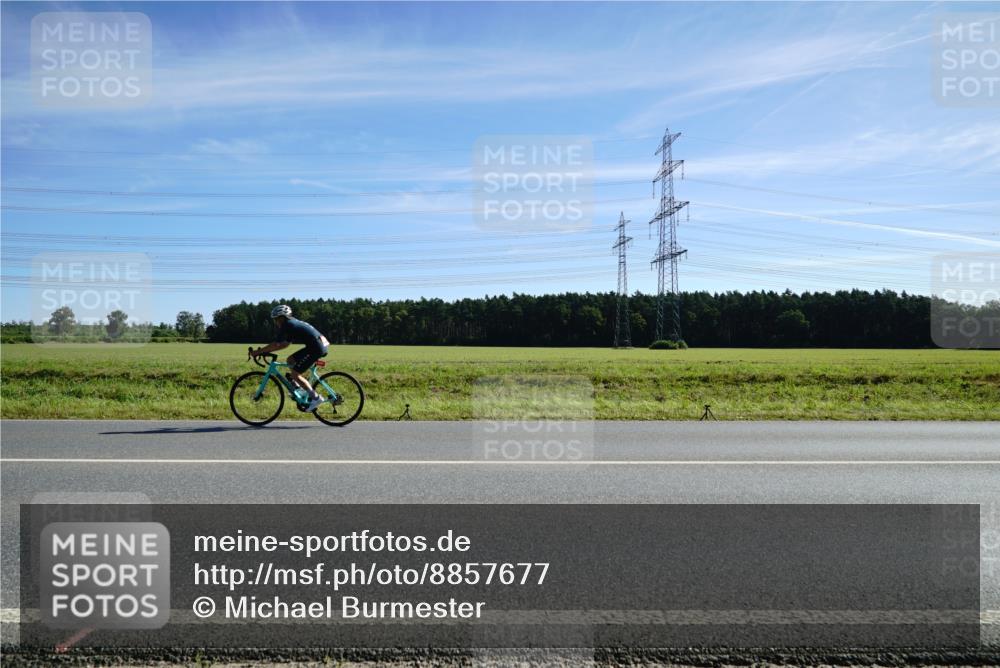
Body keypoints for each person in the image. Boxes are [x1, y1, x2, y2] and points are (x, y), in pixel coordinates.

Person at [251, 305, 330, 412]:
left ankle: (316, 398)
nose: (276, 322)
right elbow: (285, 344)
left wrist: (258, 352)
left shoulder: (287, 325)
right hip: (318, 345)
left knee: (295, 374)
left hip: (316, 348)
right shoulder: (292, 323)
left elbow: (276, 344)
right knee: (290, 360)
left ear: (283, 317)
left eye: (276, 319)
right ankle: (299, 389)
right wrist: (267, 351)